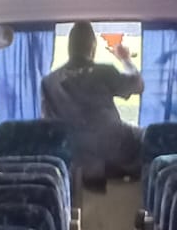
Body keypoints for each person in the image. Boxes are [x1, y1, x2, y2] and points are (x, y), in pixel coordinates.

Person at [41, 22, 144, 189]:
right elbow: (138, 85)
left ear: (69, 48)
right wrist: (125, 59)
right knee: (148, 136)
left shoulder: (48, 82)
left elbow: (47, 123)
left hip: (73, 157)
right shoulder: (105, 72)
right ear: (93, 48)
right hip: (112, 152)